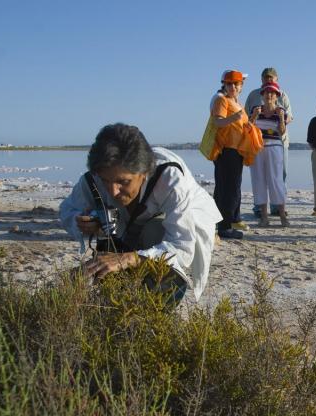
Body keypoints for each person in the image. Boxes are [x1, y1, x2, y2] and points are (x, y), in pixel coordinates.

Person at [59, 123, 222, 302]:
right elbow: (68, 208)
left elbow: (182, 247)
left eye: (124, 181)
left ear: (145, 172)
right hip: (131, 224)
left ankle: (155, 306)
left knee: (154, 235)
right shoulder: (95, 177)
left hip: (182, 217)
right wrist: (82, 221)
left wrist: (128, 258)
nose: (113, 191)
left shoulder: (170, 179)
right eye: (106, 181)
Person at [210, 69, 261, 239]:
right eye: (229, 83)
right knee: (227, 189)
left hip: (236, 150)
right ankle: (225, 228)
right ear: (224, 84)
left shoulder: (236, 102)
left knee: (231, 187)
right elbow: (217, 121)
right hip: (226, 150)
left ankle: (228, 222)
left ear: (241, 86)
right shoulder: (221, 100)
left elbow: (243, 127)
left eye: (236, 84)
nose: (232, 86)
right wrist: (234, 118)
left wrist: (252, 118)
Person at [245, 67, 293, 216]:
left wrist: (279, 117)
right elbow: (246, 118)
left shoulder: (283, 95)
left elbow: (289, 116)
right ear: (261, 79)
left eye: (271, 77)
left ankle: (277, 207)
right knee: (259, 176)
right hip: (257, 143)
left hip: (279, 142)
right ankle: (260, 208)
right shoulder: (254, 95)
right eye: (266, 77)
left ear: (277, 79)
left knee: (280, 174)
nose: (268, 79)